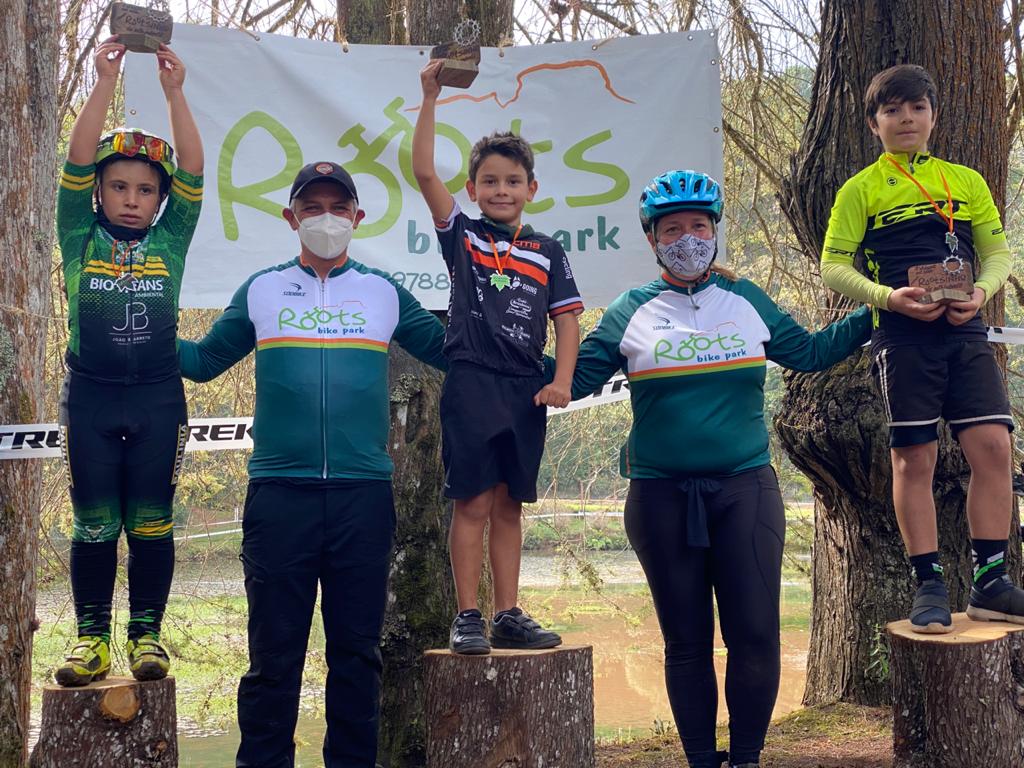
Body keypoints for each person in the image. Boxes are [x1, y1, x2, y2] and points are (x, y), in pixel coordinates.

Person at [570, 170, 871, 768]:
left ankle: (748, 758)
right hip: (659, 496)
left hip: (745, 489)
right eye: (673, 228)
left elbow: (809, 353)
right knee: (686, 644)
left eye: (699, 226)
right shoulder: (630, 310)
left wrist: (882, 311)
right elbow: (571, 383)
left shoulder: (745, 298)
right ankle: (702, 760)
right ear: (653, 240)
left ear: (715, 232)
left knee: (755, 635)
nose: (689, 237)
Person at [178, 162, 447, 768]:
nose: (325, 218)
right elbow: (200, 361)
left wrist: (545, 367)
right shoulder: (262, 289)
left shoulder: (383, 290)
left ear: (357, 217)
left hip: (363, 497)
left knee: (356, 654)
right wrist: (128, 334)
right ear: (291, 217)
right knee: (274, 655)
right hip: (279, 495)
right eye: (312, 207)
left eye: (337, 207)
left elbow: (455, 353)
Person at [821, 64, 1021, 633]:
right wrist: (888, 297)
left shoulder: (966, 180)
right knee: (915, 458)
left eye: (916, 108)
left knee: (994, 449)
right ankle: (929, 583)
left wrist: (982, 289)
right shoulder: (859, 189)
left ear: (933, 115)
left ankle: (991, 581)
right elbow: (832, 265)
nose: (906, 119)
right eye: (892, 110)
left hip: (962, 328)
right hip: (903, 334)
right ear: (873, 123)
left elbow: (998, 251)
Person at [412, 60, 584, 655]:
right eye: (489, 182)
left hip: (525, 387)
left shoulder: (547, 249)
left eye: (513, 181)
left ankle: (508, 612)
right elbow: (422, 171)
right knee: (474, 501)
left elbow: (567, 320)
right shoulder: (462, 236)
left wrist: (560, 381)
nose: (501, 191)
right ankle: (468, 615)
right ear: (473, 190)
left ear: (531, 189)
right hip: (471, 382)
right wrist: (429, 97)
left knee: (511, 503)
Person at [55, 36, 204, 686]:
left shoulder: (170, 240)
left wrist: (175, 94)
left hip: (157, 400)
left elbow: (195, 173)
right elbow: (78, 157)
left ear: (159, 199)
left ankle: (147, 637)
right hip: (89, 399)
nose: (132, 198)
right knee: (93, 526)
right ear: (99, 191)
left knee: (150, 523)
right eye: (119, 186)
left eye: (146, 189)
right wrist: (100, 84)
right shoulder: (77, 232)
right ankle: (90, 641)